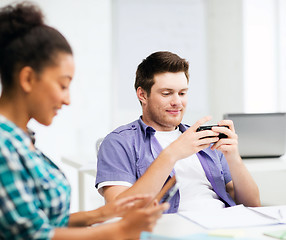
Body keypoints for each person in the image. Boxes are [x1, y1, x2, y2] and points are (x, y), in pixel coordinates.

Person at [0, 2, 169, 240]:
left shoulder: (22, 139)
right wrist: (120, 230)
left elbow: (40, 219)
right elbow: (35, 235)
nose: (67, 99)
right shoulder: (4, 145)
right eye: (63, 85)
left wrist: (100, 214)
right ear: (28, 78)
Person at [96, 51, 261, 213]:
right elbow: (117, 210)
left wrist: (233, 158)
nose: (177, 102)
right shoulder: (119, 142)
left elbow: (252, 204)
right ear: (142, 95)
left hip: (223, 226)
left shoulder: (203, 138)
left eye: (182, 93)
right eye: (167, 94)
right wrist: (172, 154)